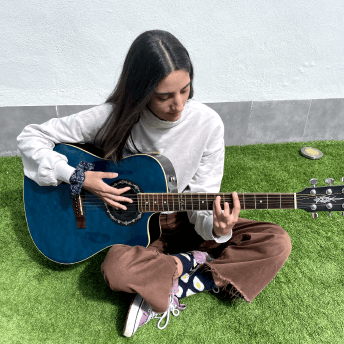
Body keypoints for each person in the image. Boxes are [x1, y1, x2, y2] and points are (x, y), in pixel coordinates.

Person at [17, 29, 292, 337]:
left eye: (185, 90)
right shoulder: (113, 116)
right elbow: (31, 137)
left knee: (276, 240)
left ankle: (184, 272)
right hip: (140, 233)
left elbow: (203, 199)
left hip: (185, 218)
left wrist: (219, 229)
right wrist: (80, 178)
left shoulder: (208, 124)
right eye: (164, 96)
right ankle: (193, 264)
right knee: (116, 269)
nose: (178, 105)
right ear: (141, 91)